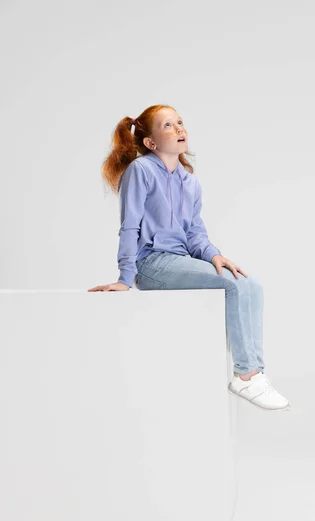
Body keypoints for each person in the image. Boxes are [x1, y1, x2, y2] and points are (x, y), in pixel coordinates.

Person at [88, 104, 290, 411]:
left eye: (180, 122)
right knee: (233, 287)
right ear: (150, 143)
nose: (179, 129)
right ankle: (246, 375)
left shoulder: (189, 181)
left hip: (179, 261)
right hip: (152, 264)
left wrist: (215, 257)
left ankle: (255, 372)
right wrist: (125, 278)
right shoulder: (140, 171)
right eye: (167, 125)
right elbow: (130, 225)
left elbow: (195, 233)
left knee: (251, 285)